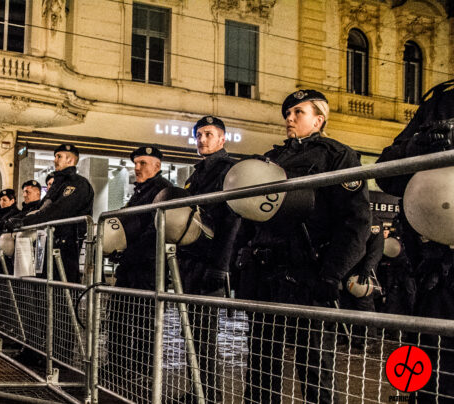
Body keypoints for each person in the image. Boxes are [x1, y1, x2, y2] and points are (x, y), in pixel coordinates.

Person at [236, 90, 371, 403]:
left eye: (298, 112)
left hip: (309, 273)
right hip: (267, 272)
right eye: (288, 113)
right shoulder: (273, 159)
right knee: (261, 364)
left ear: (319, 119)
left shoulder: (337, 155)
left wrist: (333, 273)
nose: (290, 118)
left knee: (314, 366)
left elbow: (356, 222)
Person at [374, 78, 454, 403]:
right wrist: (418, 149)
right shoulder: (439, 104)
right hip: (436, 277)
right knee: (431, 383)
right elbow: (386, 170)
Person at [179, 116, 240, 403]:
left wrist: (220, 266)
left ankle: (209, 396)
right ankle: (198, 391)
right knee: (190, 332)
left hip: (210, 262)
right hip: (192, 261)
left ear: (222, 139)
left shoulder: (226, 171)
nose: (202, 140)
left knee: (203, 335)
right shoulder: (197, 173)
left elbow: (231, 222)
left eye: (208, 134)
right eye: (198, 135)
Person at [106, 146, 173, 396]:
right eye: (136, 163)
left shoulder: (163, 190)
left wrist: (127, 251)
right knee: (119, 316)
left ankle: (143, 370)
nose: (137, 167)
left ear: (157, 166)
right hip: (131, 264)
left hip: (147, 265)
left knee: (145, 321)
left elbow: (154, 229)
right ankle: (117, 365)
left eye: (143, 163)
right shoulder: (139, 191)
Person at [6, 144, 94, 283]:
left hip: (66, 244)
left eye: (59, 156)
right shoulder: (58, 185)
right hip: (47, 241)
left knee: (63, 287)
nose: (54, 160)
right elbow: (41, 209)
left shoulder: (78, 184)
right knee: (45, 285)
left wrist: (25, 222)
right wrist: (13, 220)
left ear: (70, 160)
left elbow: (58, 211)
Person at [338, 224, 383, 348]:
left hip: (361, 270)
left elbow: (376, 249)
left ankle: (369, 338)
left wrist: (367, 269)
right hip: (347, 268)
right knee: (346, 304)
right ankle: (351, 337)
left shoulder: (373, 221)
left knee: (364, 304)